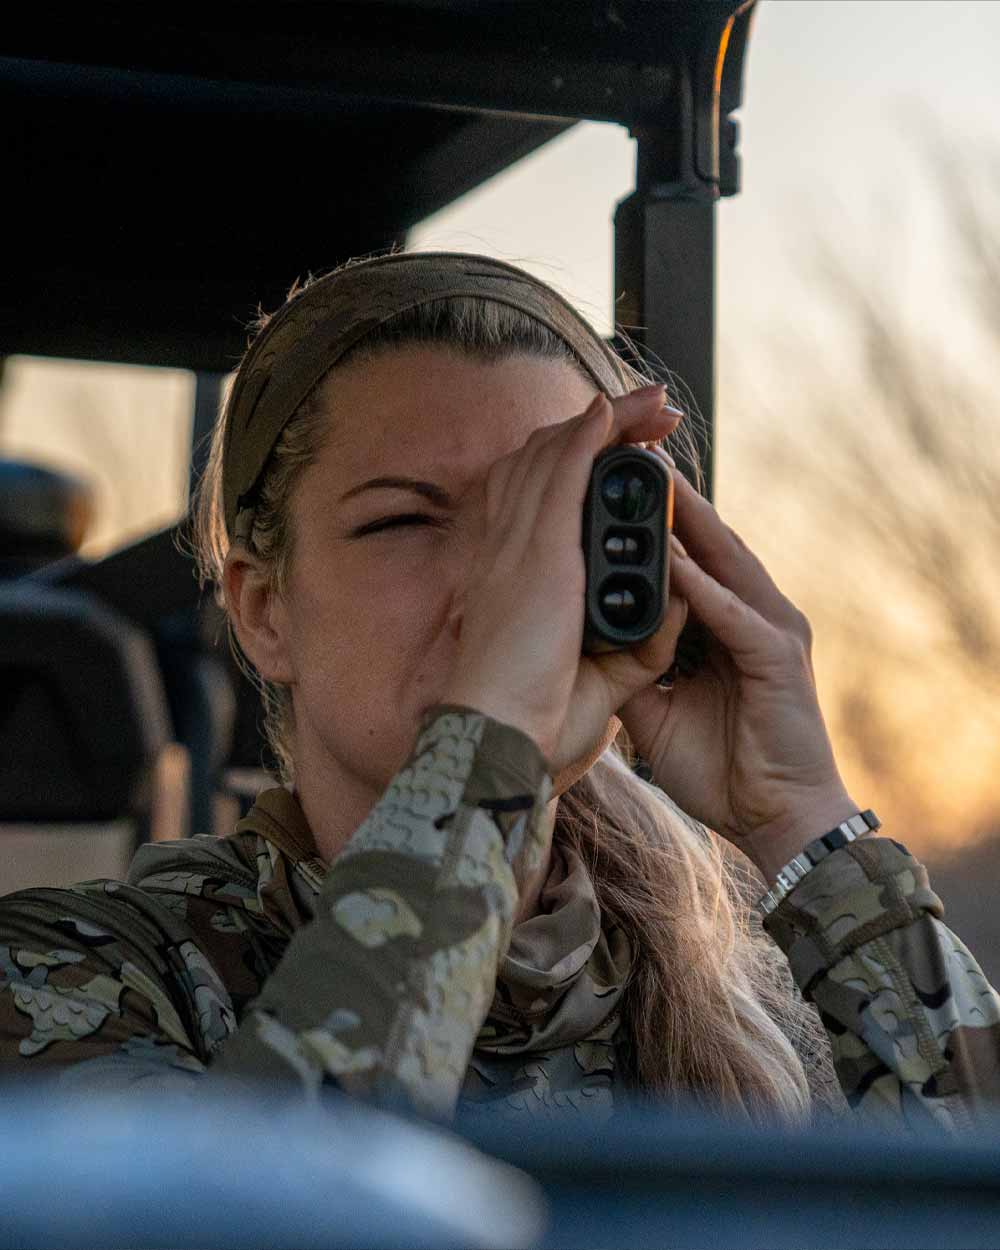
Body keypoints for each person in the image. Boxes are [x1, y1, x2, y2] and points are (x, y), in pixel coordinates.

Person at [1, 250, 997, 1135]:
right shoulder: (85, 973)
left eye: (551, 517)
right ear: (264, 609)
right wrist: (492, 739)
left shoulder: (759, 1012)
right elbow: (286, 1206)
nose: (504, 592)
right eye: (405, 521)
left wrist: (803, 826)